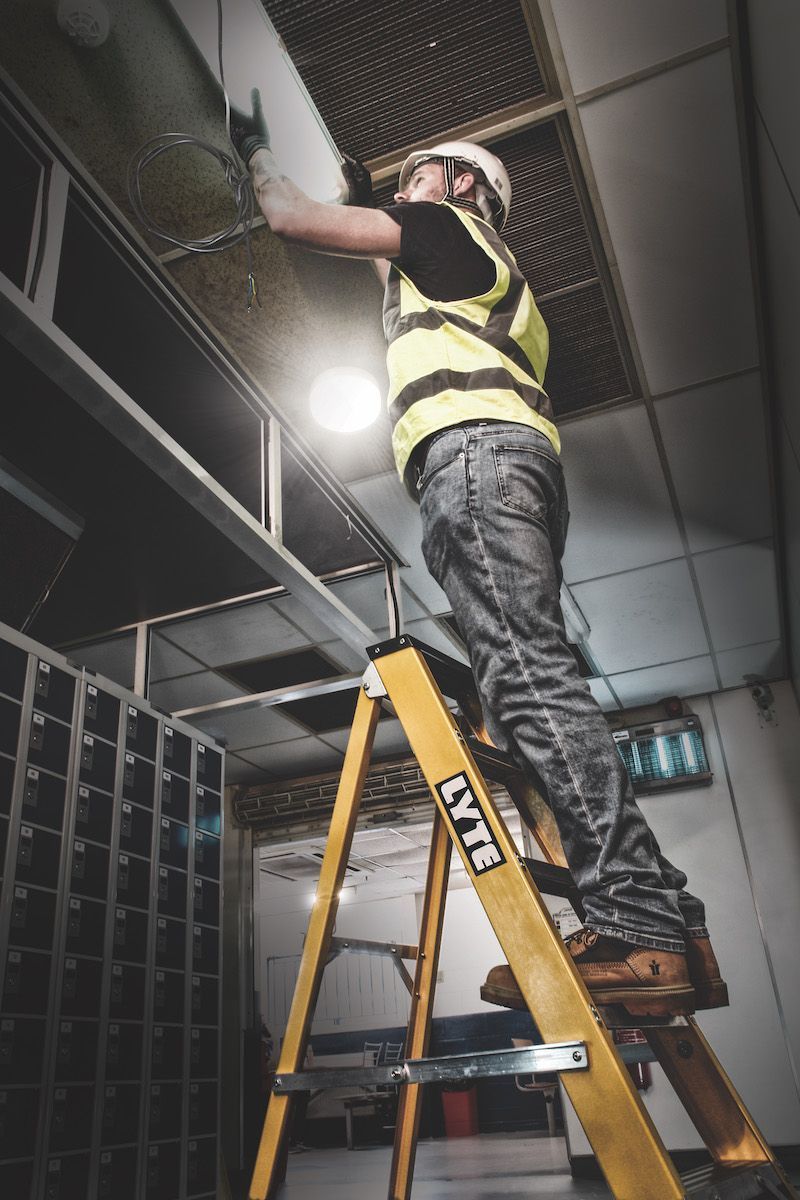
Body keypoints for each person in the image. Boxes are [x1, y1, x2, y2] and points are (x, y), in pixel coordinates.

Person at [229, 93, 727, 1018]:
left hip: (474, 460)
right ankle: (670, 921)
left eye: (422, 170)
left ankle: (644, 930)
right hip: (515, 465)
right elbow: (395, 274)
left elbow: (289, 218)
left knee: (530, 682)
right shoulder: (494, 279)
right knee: (531, 680)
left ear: (463, 184)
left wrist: (258, 154)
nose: (406, 186)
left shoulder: (441, 223)